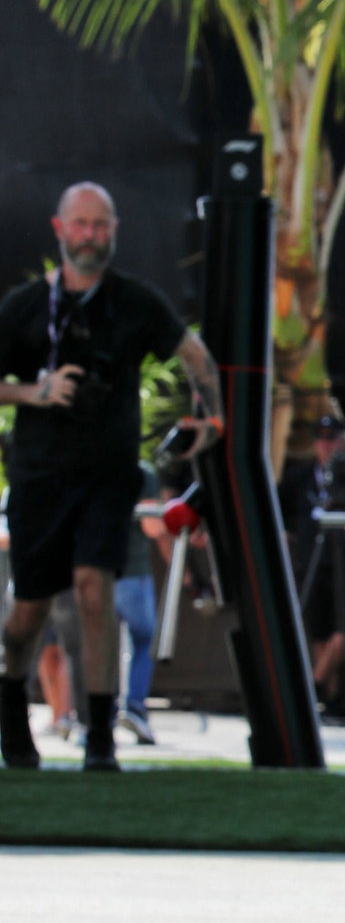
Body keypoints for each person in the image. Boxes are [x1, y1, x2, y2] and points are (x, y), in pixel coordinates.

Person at [0, 182, 223, 773]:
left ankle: (100, 735)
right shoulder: (25, 306)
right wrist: (35, 391)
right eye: (81, 224)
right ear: (59, 228)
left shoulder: (134, 301)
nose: (90, 236)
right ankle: (11, 707)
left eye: (101, 225)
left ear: (114, 231)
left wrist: (213, 412)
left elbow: (195, 356)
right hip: (38, 476)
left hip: (108, 474)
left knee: (95, 589)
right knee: (30, 608)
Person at [278, 413, 345, 704]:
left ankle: (314, 684)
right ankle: (329, 693)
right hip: (310, 559)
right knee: (318, 629)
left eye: (331, 438)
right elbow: (281, 511)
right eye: (320, 439)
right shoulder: (299, 477)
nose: (326, 445)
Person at [114, 459, 162, 746]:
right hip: (133, 573)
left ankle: (95, 716)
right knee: (144, 640)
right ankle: (134, 706)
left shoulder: (93, 465)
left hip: (96, 572)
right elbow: (152, 526)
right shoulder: (142, 473)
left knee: (99, 644)